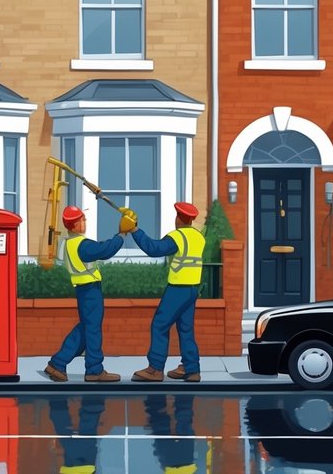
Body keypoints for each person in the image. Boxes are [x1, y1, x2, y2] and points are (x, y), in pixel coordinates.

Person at [42, 205, 129, 383]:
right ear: (74, 225)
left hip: (81, 289)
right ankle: (94, 369)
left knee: (85, 328)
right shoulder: (82, 245)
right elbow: (105, 250)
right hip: (90, 290)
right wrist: (121, 235)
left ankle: (58, 363)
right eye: (81, 219)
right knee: (93, 330)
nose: (85, 222)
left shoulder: (67, 243)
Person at [130, 202, 204, 383]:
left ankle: (155, 369)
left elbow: (154, 249)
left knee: (159, 325)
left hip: (178, 289)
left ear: (179, 218)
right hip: (193, 289)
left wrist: (135, 231)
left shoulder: (178, 237)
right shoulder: (198, 237)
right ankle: (191, 368)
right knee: (186, 329)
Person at [143, 394, 199, 474]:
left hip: (186, 466)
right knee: (160, 422)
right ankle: (155, 391)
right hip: (173, 466)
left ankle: (184, 389)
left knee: (184, 419)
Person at [49, 395, 105, 474]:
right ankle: (58, 403)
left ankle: (93, 400)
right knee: (63, 428)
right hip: (72, 466)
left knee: (88, 427)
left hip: (87, 464)